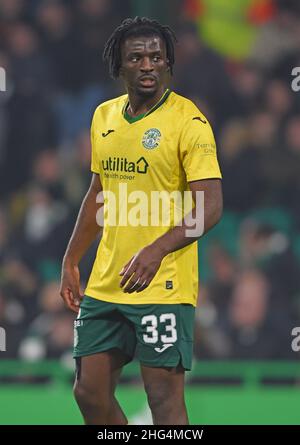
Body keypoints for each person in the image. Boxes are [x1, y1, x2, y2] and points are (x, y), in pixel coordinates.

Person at [60, 16, 223, 425]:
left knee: (163, 399)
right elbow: (99, 193)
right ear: (120, 65)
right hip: (107, 281)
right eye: (137, 57)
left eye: (156, 56)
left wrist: (157, 250)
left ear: (168, 63)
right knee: (88, 392)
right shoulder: (104, 117)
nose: (147, 64)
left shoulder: (189, 121)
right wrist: (71, 259)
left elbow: (212, 206)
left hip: (163, 284)